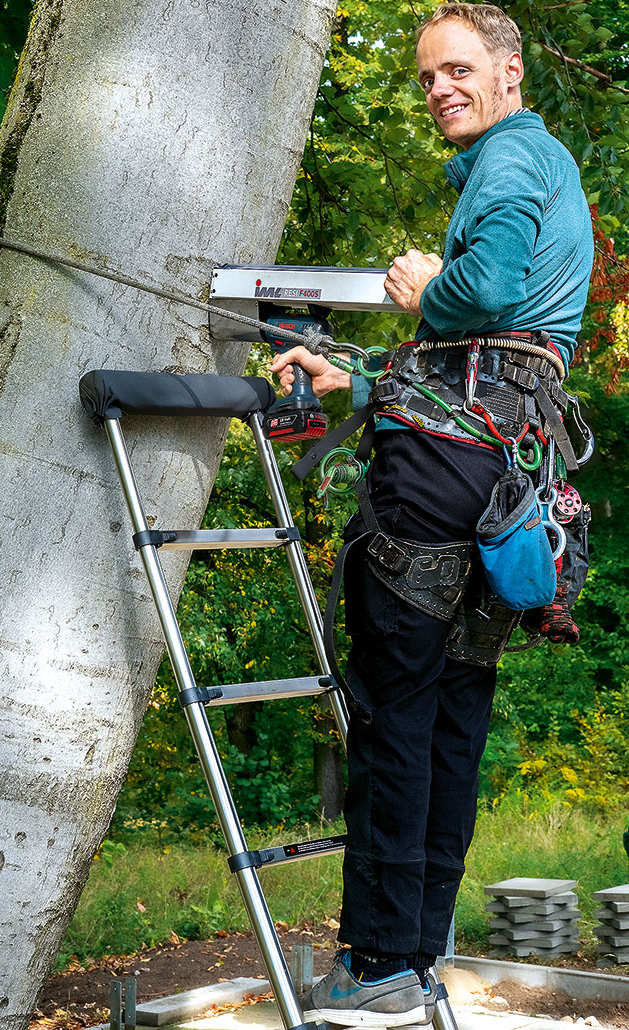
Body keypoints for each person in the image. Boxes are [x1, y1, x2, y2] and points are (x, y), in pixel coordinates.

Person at [270, 4, 594, 1027]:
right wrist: (355, 371)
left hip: (439, 479)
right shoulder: (545, 170)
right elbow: (488, 359)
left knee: (393, 715)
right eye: (423, 77)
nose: (438, 88)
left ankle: (373, 966)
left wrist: (424, 286)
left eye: (456, 69)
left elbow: (479, 292)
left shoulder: (507, 159)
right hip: (505, 482)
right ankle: (413, 960)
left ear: (506, 74)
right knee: (449, 715)